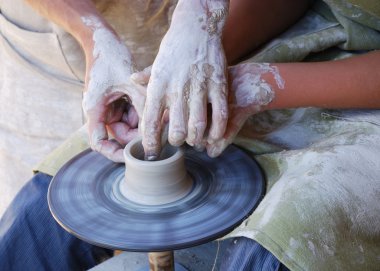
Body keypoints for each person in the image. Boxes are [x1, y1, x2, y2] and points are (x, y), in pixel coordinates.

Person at [1, 0, 379, 270]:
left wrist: (265, 85)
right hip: (312, 29)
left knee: (282, 241)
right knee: (44, 205)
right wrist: (200, 53)